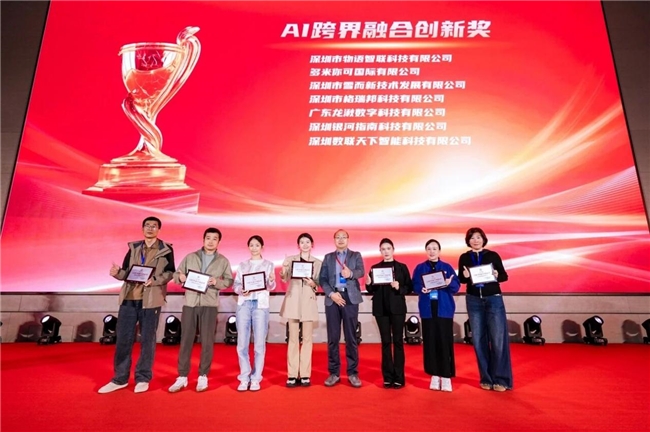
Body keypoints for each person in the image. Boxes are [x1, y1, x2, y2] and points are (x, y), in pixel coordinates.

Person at [99, 216, 175, 394]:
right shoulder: (134, 247)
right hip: (129, 298)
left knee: (147, 340)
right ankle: (120, 378)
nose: (150, 228)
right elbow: (126, 272)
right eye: (147, 225)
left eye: (154, 226)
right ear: (142, 229)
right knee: (123, 339)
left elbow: (170, 272)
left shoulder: (166, 249)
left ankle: (143, 377)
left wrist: (155, 280)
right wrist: (117, 273)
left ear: (159, 230)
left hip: (151, 301)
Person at [168, 227, 234, 393]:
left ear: (219, 242)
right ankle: (182, 375)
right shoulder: (190, 257)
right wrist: (180, 277)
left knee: (207, 341)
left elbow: (228, 281)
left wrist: (216, 282)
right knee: (186, 340)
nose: (211, 241)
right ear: (203, 240)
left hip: (209, 304)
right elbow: (176, 275)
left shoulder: (223, 261)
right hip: (190, 303)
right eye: (208, 238)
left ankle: (203, 375)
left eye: (214, 239)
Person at [457, 227, 512, 392]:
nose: (475, 240)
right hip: (473, 300)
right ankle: (486, 378)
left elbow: (504, 276)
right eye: (472, 238)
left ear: (483, 239)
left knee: (498, 339)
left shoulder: (492, 255)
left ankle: (501, 379)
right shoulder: (464, 257)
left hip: (493, 298)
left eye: (478, 237)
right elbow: (461, 279)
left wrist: (496, 274)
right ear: (468, 241)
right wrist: (465, 276)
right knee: (479, 340)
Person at [412, 239, 460, 392]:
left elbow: (456, 286)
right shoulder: (420, 267)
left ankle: (446, 376)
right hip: (427, 310)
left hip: (444, 309)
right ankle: (433, 374)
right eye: (429, 248)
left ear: (439, 251)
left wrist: (449, 283)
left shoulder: (447, 267)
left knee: (444, 342)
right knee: (430, 342)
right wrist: (421, 289)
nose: (431, 251)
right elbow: (415, 284)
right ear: (426, 251)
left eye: (434, 248)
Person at [319, 229, 365, 388]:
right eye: (337, 237)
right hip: (333, 298)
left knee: (351, 337)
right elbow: (322, 279)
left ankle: (353, 373)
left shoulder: (356, 255)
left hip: (350, 298)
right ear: (334, 240)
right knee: (333, 338)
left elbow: (361, 271)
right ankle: (334, 373)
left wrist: (350, 273)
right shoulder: (328, 257)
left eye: (343, 237)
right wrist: (331, 294)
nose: (340, 240)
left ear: (348, 239)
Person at [365, 238, 412, 389]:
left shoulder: (401, 267)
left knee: (398, 342)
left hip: (398, 309)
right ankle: (387, 377)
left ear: (393, 250)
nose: (386, 251)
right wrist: (368, 283)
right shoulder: (375, 268)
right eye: (383, 249)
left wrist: (399, 287)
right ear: (380, 251)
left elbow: (409, 287)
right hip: (381, 309)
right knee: (385, 342)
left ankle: (399, 377)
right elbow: (371, 290)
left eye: (388, 248)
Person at [233, 235, 276, 392]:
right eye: (251, 245)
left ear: (262, 247)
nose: (254, 248)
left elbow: (271, 287)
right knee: (242, 343)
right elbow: (236, 285)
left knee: (259, 344)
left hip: (260, 305)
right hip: (244, 304)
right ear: (248, 247)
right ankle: (244, 378)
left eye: (257, 245)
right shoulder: (242, 265)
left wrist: (271, 280)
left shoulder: (269, 265)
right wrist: (241, 290)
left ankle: (256, 378)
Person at [279, 233, 322, 387]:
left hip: (308, 301)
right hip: (293, 301)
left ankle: (304, 374)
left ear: (312, 244)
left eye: (307, 242)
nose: (305, 244)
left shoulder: (318, 263)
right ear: (298, 245)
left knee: (307, 339)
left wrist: (313, 284)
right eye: (302, 242)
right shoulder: (290, 260)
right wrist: (283, 270)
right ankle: (292, 374)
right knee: (293, 339)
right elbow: (284, 278)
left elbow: (319, 283)